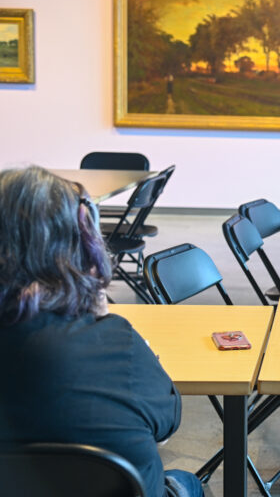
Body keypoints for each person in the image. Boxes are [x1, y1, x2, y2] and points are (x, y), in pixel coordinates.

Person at [0, 166, 203, 497]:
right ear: (80, 246)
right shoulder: (113, 346)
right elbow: (164, 429)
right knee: (186, 481)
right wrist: (102, 315)